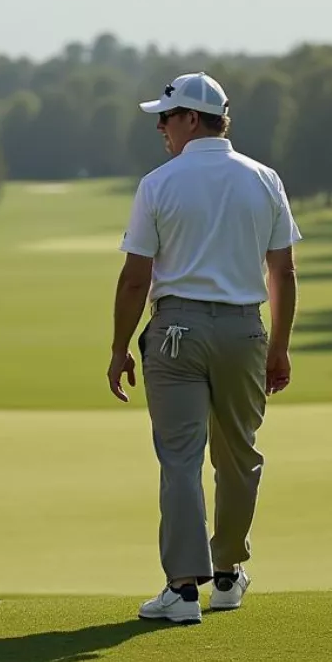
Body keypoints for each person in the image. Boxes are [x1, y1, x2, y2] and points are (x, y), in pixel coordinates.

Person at [108, 72, 300, 625]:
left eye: (165, 118)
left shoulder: (159, 183)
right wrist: (279, 348)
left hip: (175, 333)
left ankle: (182, 590)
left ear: (192, 118)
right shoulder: (265, 179)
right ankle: (226, 575)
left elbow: (133, 279)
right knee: (238, 456)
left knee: (181, 460)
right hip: (244, 332)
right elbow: (282, 272)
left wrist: (120, 348)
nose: (161, 129)